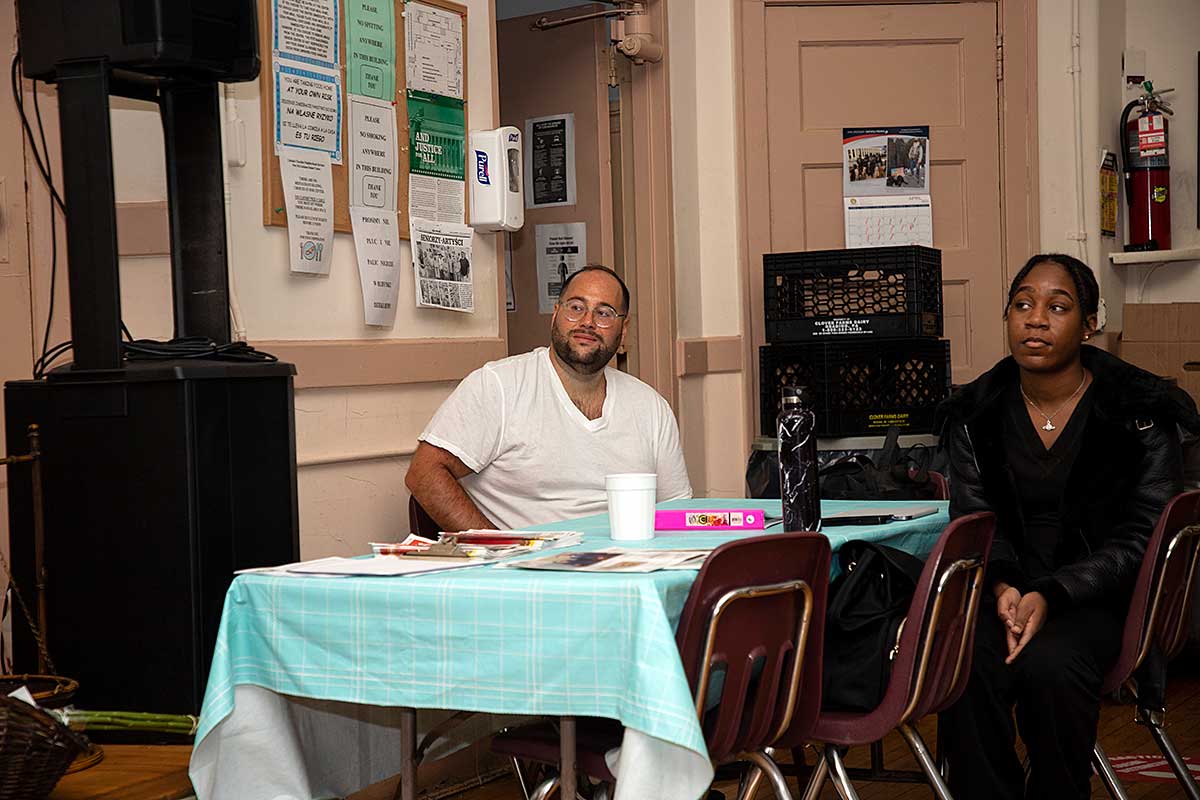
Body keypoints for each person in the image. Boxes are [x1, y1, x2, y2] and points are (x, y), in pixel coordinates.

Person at [936, 253, 1200, 799]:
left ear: (1089, 324)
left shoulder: (1138, 411)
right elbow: (974, 518)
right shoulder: (974, 414)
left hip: (1101, 599)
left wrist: (1053, 593)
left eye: (1057, 307)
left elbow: (1145, 537)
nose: (1036, 319)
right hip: (1006, 594)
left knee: (1050, 664)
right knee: (965, 658)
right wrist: (1005, 586)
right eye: (1022, 305)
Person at [406, 264, 692, 531]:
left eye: (604, 313)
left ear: (624, 330)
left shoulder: (650, 407)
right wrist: (501, 549)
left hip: (628, 562)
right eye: (576, 307)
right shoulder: (499, 386)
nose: (588, 322)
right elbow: (424, 474)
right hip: (528, 565)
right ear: (555, 315)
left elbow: (676, 513)